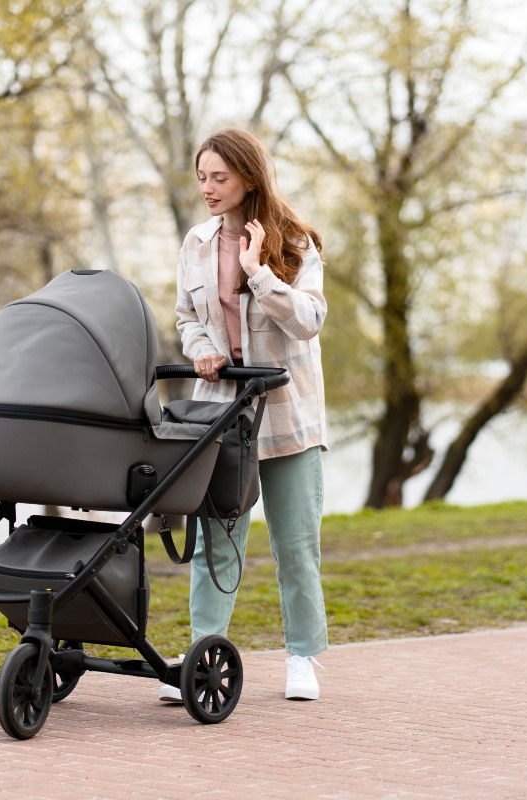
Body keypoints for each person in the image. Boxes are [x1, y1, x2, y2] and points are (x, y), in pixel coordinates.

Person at [164, 127, 329, 701]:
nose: (207, 188)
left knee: (295, 544)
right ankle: (202, 657)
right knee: (216, 540)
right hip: (224, 415)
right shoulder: (196, 242)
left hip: (288, 416)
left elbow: (307, 322)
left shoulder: (297, 242)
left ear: (249, 179)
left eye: (220, 178)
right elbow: (187, 316)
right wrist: (200, 350)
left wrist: (258, 270)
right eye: (202, 177)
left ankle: (303, 657)